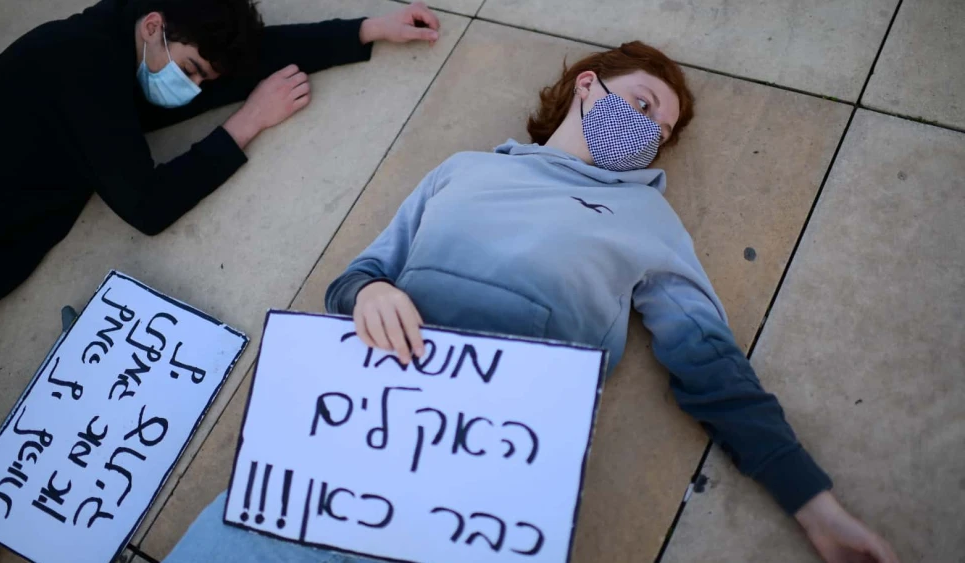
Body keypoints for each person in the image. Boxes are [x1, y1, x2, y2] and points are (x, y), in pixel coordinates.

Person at [165, 43, 900, 563]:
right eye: (641, 104)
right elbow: (356, 276)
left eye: (661, 131)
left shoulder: (650, 220)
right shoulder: (464, 170)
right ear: (588, 86)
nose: (647, 131)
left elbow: (710, 364)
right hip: (323, 480)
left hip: (472, 515)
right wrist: (373, 290)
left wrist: (815, 505)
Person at [0, 0, 441, 308]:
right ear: (154, 26)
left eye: (200, 80)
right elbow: (148, 206)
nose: (192, 91)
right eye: (190, 71)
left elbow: (245, 57)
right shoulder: (82, 68)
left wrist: (366, 29)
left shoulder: (135, 29)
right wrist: (249, 120)